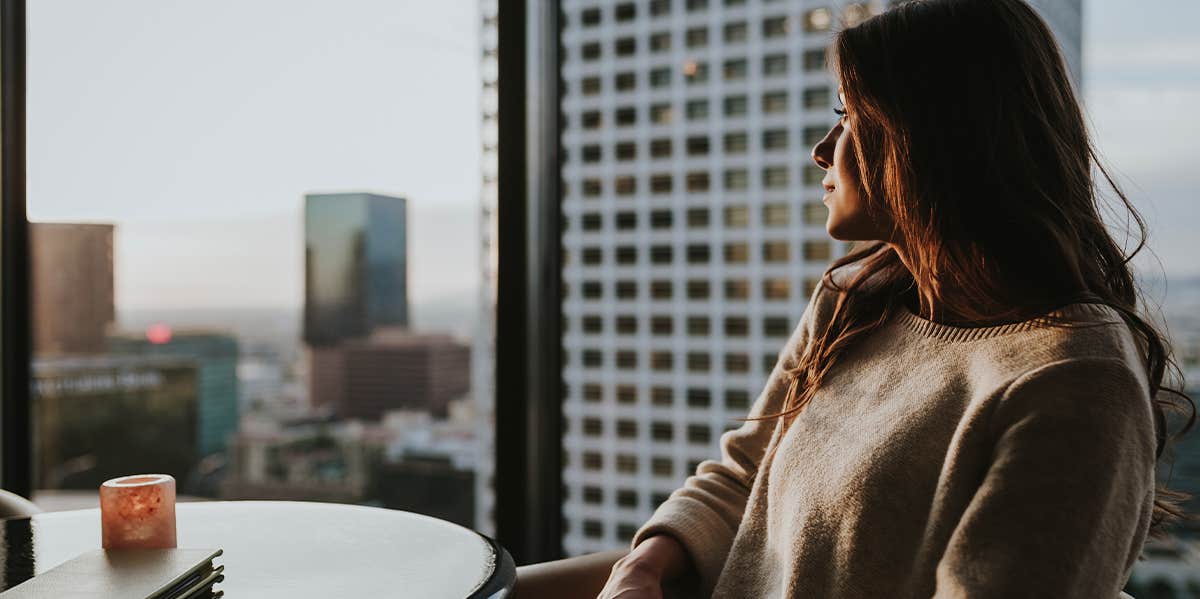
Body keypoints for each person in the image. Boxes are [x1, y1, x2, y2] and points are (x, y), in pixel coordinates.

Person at [514, 0, 1194, 597]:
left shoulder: (1074, 380)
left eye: (849, 115)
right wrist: (644, 566)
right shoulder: (856, 297)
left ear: (936, 138)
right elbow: (746, 469)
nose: (821, 149)